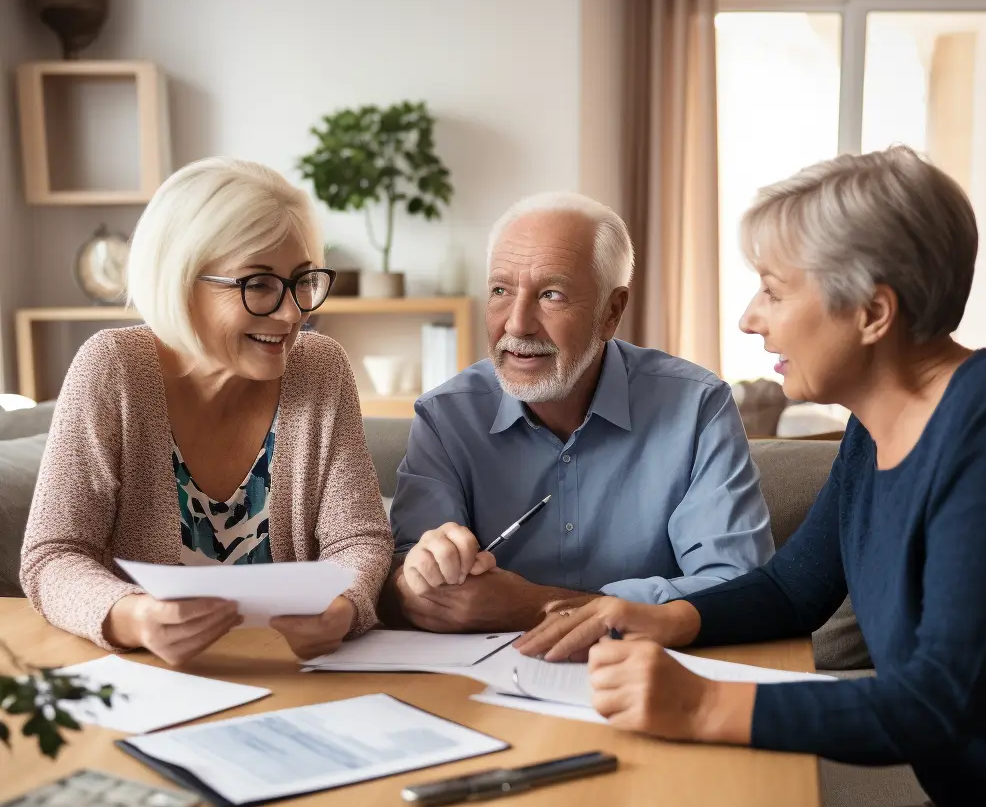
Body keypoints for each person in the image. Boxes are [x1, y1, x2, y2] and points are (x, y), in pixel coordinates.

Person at [515, 148, 986, 807]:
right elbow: (797, 587)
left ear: (872, 312)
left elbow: (938, 701)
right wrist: (663, 616)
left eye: (774, 290)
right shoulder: (876, 424)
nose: (752, 319)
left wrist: (704, 702)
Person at [21, 158, 393, 664]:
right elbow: (53, 555)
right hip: (148, 681)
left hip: (297, 680)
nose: (292, 313)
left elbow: (361, 539)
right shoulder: (113, 369)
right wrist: (136, 618)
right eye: (258, 284)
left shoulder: (320, 369)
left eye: (302, 280)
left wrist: (344, 608)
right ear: (180, 278)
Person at [385, 192, 773, 635]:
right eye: (500, 290)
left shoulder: (697, 407)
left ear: (611, 312)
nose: (516, 324)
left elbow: (737, 590)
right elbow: (406, 586)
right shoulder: (445, 417)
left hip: (655, 677)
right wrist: (415, 579)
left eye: (551, 294)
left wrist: (536, 607)